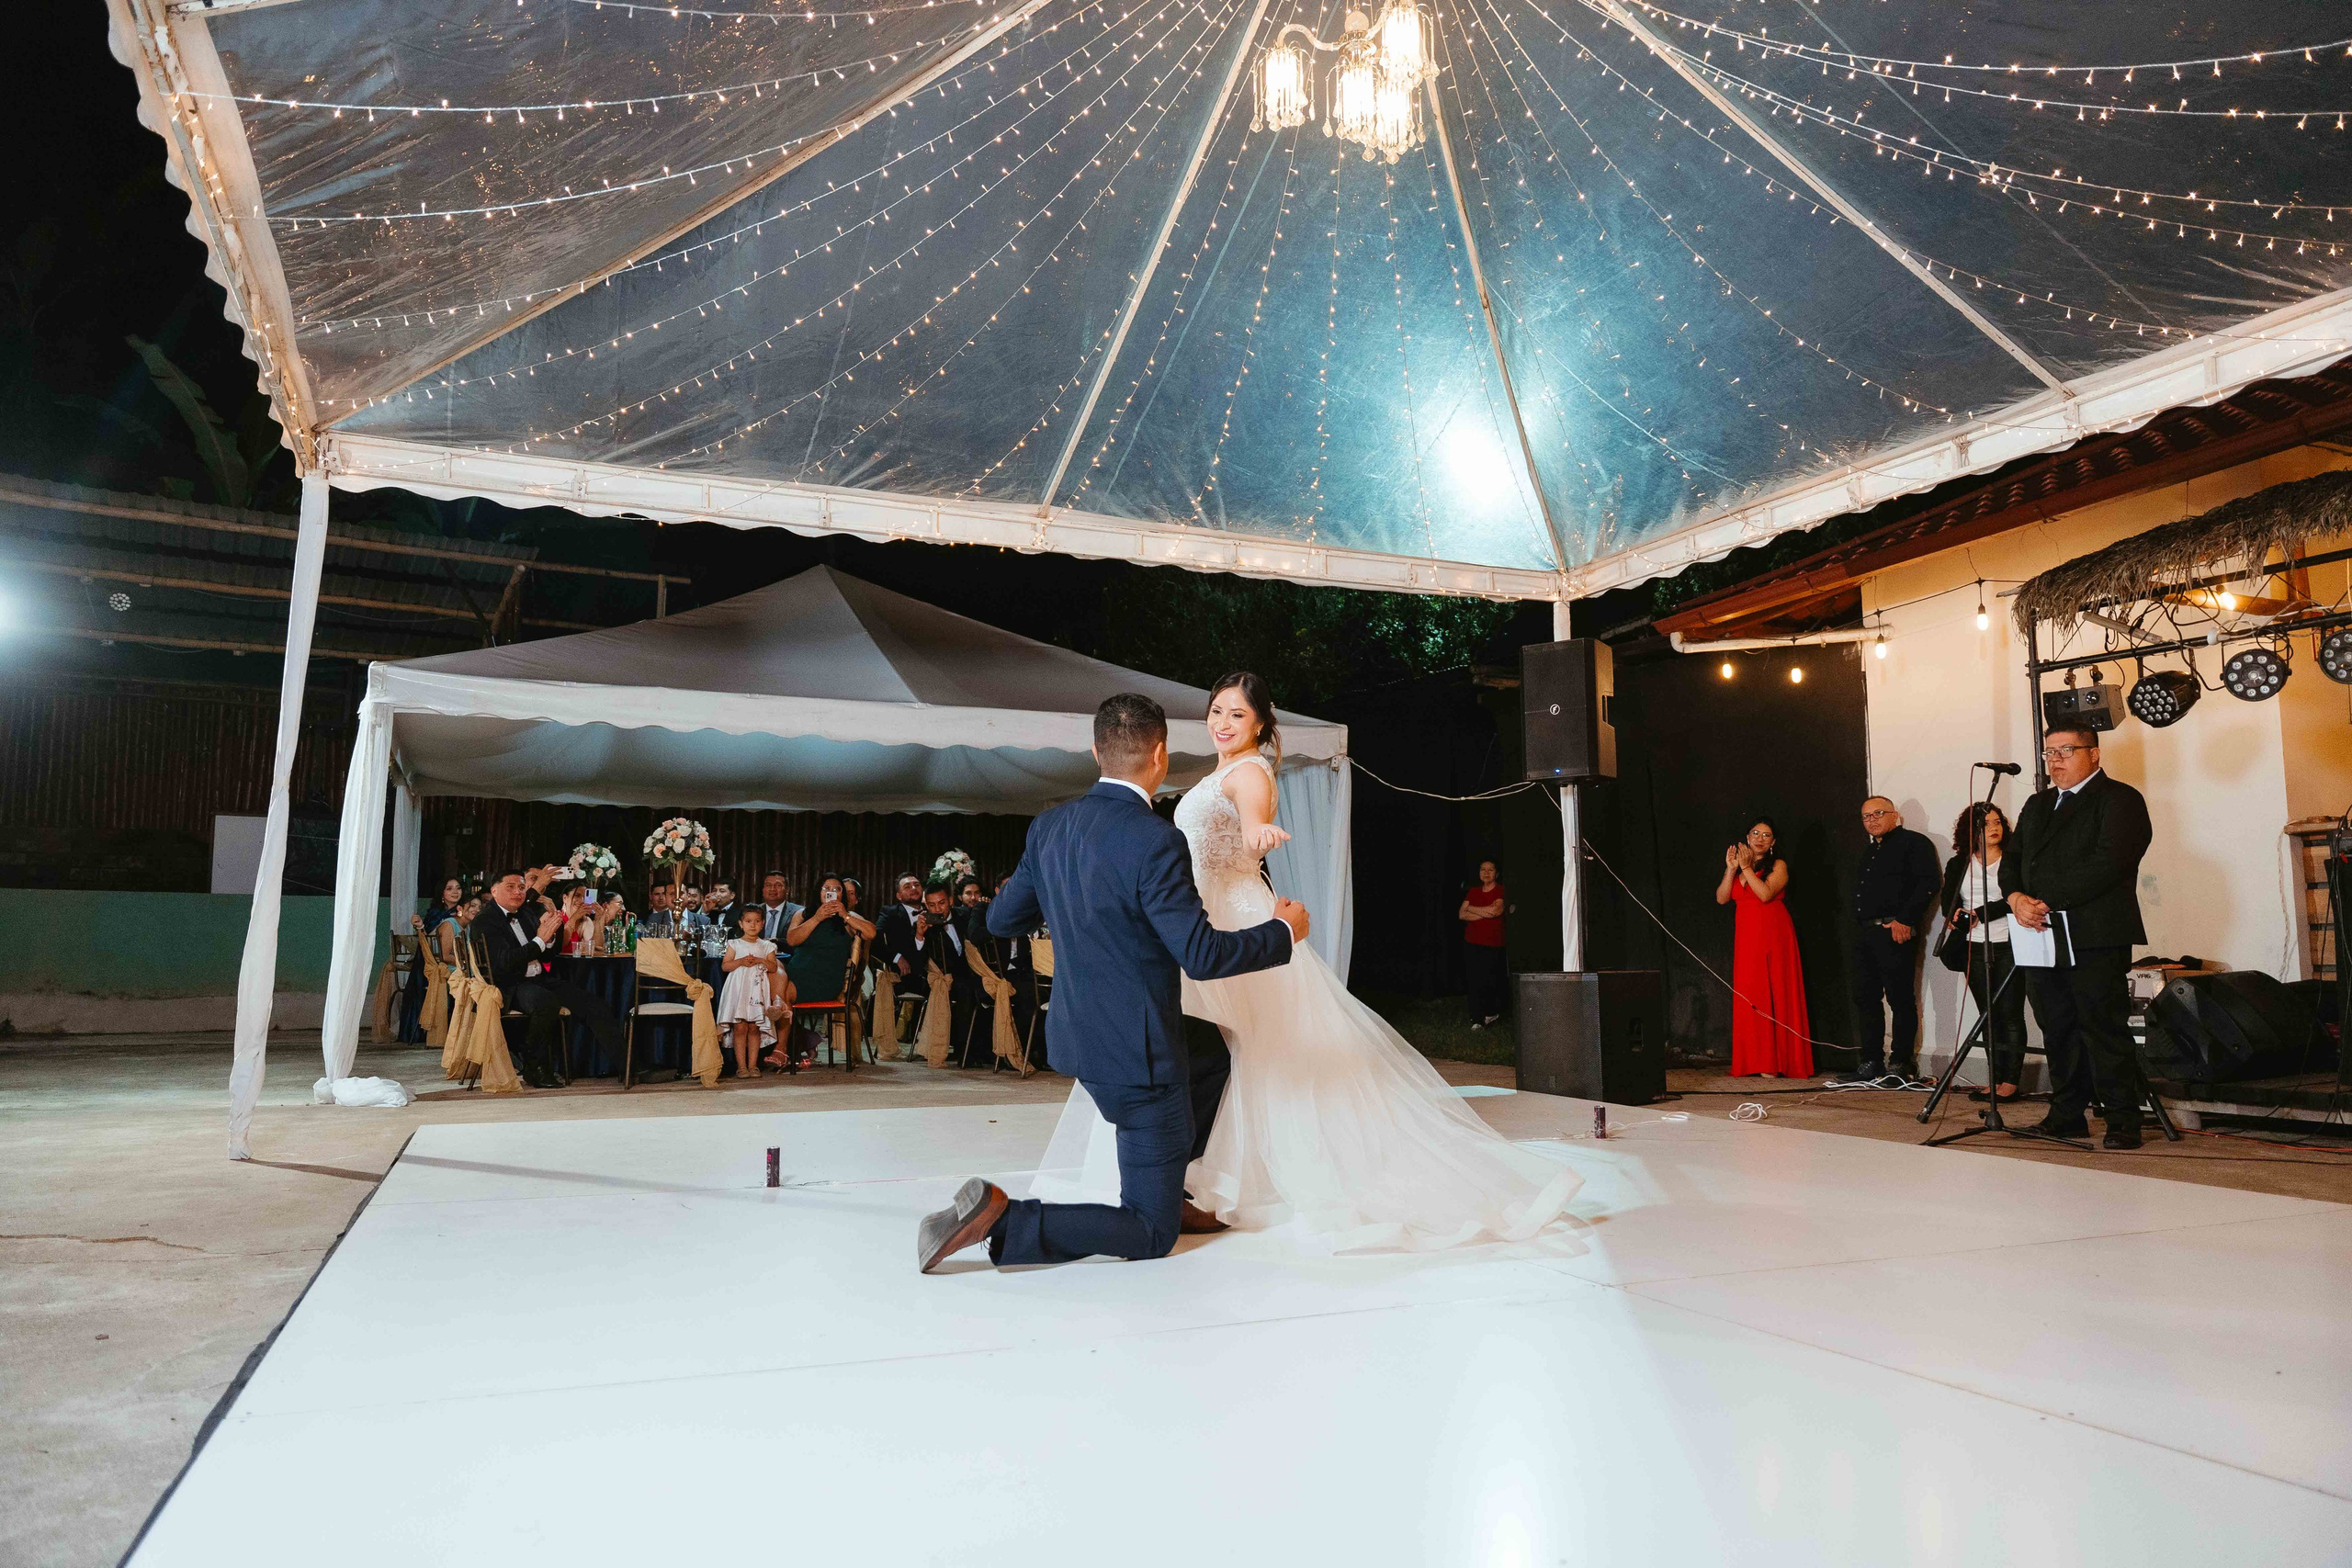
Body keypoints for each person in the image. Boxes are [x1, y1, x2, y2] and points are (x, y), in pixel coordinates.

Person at [917, 693, 1306, 1273]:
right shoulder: (1156, 839)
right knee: (1151, 1232)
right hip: (1139, 1061)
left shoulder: (1050, 827)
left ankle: (1176, 1182)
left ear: (1096, 752)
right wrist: (1282, 931)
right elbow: (1200, 955)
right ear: (1160, 755)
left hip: (1077, 1039)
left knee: (1213, 1051)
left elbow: (1000, 920)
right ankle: (1005, 1221)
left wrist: (1065, 898)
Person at [2003, 726, 2155, 1149]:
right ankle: (2066, 1115)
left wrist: (2043, 900)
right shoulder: (2037, 804)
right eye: (2049, 753)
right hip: (2041, 932)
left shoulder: (2120, 799)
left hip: (2094, 933)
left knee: (2103, 1027)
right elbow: (2012, 860)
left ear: (2094, 753)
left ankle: (2122, 1119)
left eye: (2066, 751)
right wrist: (2015, 897)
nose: (2055, 760)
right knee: (2057, 1027)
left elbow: (2110, 862)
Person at [475, 869, 624, 1089]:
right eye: (511, 887)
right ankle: (535, 1068)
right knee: (546, 1002)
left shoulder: (525, 914)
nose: (518, 892)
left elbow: (545, 955)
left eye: (521, 887)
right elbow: (505, 963)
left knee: (593, 1002)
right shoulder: (485, 920)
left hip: (538, 979)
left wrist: (550, 938)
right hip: (508, 984)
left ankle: (627, 1066)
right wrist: (539, 940)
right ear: (494, 891)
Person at [1939, 801, 2028, 1104]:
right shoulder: (1959, 863)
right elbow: (1948, 898)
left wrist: (1982, 913)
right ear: (1971, 830)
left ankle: (2011, 1083)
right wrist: (1954, 914)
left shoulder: (2014, 860)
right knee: (1988, 1015)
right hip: (1973, 945)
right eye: (1986, 823)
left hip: (2010, 943)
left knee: (2011, 1014)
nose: (1994, 827)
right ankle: (1995, 1080)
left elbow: (2017, 899)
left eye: (1997, 822)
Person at [1847, 795, 1940, 1081]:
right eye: (1866, 816)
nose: (1871, 820)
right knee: (1866, 998)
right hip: (1866, 933)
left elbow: (1929, 883)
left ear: (1894, 815)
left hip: (1895, 931)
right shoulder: (1869, 851)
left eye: (1877, 813)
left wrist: (1906, 919)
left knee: (1900, 999)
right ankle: (1871, 1061)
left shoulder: (1915, 843)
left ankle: (1901, 1063)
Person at [1716, 818, 1812, 1077]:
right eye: (1755, 833)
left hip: (1774, 934)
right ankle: (1756, 1060)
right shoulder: (1739, 869)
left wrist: (1746, 868)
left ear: (1773, 842)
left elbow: (1765, 894)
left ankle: (1778, 1062)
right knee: (1752, 994)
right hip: (1747, 938)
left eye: (1766, 835)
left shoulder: (1778, 865)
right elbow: (1722, 898)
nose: (1760, 838)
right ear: (1747, 838)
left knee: (1776, 991)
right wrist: (1731, 869)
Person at [717, 904, 789, 1079]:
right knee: (740, 1027)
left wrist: (759, 960)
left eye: (757, 921)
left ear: (762, 923)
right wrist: (741, 962)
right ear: (741, 924)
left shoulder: (766, 946)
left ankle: (753, 1065)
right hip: (739, 990)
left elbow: (773, 967)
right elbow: (725, 966)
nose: (753, 925)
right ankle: (741, 1066)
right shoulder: (734, 944)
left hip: (756, 991)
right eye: (748, 921)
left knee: (754, 1028)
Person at [1457, 860, 1508, 1029]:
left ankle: (1491, 1013)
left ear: (1496, 873)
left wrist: (1472, 908)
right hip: (1472, 942)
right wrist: (1486, 911)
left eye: (1490, 870)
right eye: (1483, 869)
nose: (1486, 873)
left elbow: (1495, 911)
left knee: (1490, 980)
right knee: (1474, 980)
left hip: (1492, 943)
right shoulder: (1473, 891)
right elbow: (1462, 914)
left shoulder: (1500, 890)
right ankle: (1477, 1019)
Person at [756, 873, 803, 951]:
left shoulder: (799, 912)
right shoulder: (752, 911)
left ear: (787, 890)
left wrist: (778, 943)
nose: (772, 889)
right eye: (768, 885)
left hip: (787, 956)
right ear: (763, 890)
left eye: (778, 885)